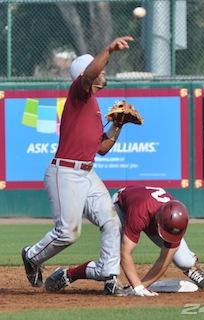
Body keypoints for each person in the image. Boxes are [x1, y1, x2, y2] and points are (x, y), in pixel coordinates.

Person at [21, 36, 134, 295]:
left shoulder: (93, 107)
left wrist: (118, 125)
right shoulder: (78, 93)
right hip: (66, 172)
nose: (102, 72)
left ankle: (109, 276)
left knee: (111, 221)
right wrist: (108, 49)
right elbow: (90, 72)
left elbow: (102, 149)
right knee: (68, 233)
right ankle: (32, 256)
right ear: (87, 75)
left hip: (87, 172)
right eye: (99, 70)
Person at [45, 185, 204, 296]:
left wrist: (140, 287)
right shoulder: (140, 213)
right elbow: (125, 253)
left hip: (153, 213)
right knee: (108, 268)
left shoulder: (177, 218)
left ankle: (190, 266)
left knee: (184, 260)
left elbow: (164, 260)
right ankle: (68, 274)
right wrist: (138, 287)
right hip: (122, 207)